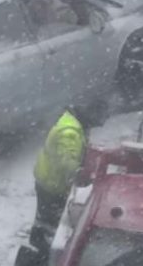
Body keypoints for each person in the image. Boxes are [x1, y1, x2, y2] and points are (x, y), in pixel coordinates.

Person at [28, 101, 108, 254]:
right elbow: (67, 163)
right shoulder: (70, 133)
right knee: (52, 220)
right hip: (53, 184)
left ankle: (38, 237)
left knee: (44, 215)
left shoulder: (70, 122)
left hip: (46, 178)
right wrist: (82, 175)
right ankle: (44, 249)